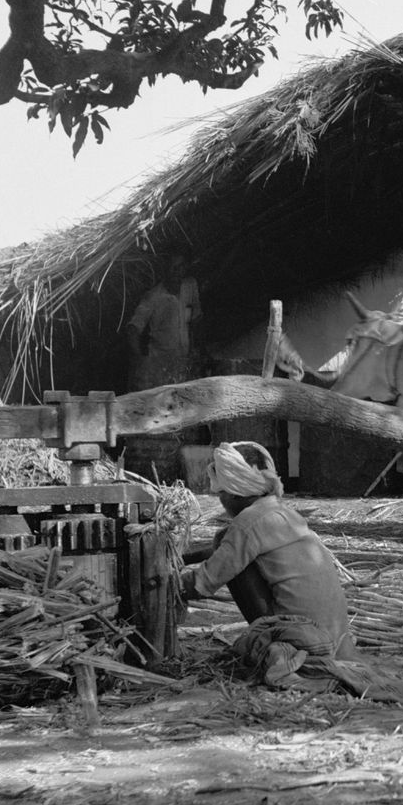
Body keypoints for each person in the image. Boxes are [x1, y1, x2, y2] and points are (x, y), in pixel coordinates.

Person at [178, 442, 357, 686]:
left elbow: (202, 583)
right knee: (226, 543)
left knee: (233, 558)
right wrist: (183, 557)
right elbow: (228, 550)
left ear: (232, 494)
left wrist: (165, 582)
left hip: (303, 640)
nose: (221, 501)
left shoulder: (247, 524)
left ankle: (271, 641)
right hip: (336, 639)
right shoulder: (283, 514)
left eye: (220, 495)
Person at [126, 256, 202, 390]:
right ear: (164, 271)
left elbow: (195, 319)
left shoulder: (190, 286)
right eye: (174, 268)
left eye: (181, 267)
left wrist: (194, 348)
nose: (178, 272)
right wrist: (142, 362)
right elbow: (133, 329)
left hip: (184, 362)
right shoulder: (153, 298)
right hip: (160, 366)